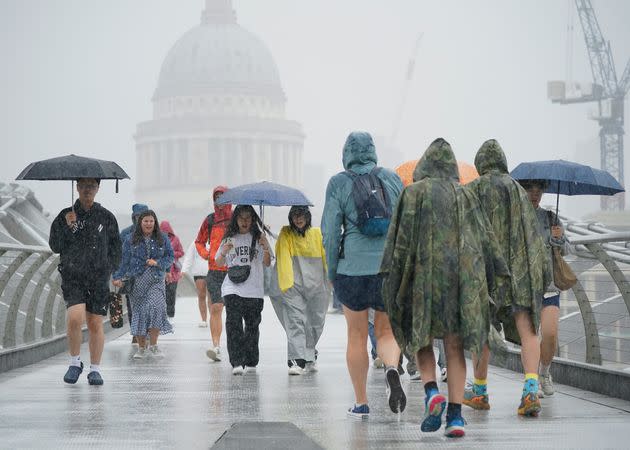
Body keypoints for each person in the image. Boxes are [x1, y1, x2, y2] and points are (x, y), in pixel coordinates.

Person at [381, 138, 509, 437]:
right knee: (453, 347)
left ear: (425, 164)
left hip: (422, 281)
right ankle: (454, 416)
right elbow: (486, 240)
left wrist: (391, 278)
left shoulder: (411, 194)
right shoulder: (466, 195)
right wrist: (496, 278)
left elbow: (398, 244)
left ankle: (430, 393)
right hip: (460, 283)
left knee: (422, 341)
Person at [463, 139, 550, 417]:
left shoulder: (473, 190)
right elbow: (532, 235)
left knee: (482, 332)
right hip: (519, 274)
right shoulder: (517, 190)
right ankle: (530, 390)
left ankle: (479, 391)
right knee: (528, 331)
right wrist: (540, 273)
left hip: (486, 276)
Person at [321, 131, 404, 419]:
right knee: (386, 331)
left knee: (356, 335)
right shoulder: (392, 179)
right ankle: (392, 368)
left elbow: (330, 234)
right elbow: (404, 224)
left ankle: (361, 402)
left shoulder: (338, 183)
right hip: (387, 268)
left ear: (346, 154)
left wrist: (332, 271)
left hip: (352, 270)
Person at [49, 177, 121, 386]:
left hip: (98, 278)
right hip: (73, 276)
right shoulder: (65, 216)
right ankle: (74, 362)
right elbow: (55, 245)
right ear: (77, 187)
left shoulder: (106, 217)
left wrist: (112, 270)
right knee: (74, 318)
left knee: (95, 323)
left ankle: (95, 369)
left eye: (92, 186)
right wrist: (67, 227)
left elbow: (116, 247)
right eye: (83, 186)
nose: (87, 190)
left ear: (98, 188)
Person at [521, 179, 568, 397]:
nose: (535, 193)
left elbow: (567, 249)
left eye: (539, 189)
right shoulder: (517, 217)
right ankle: (531, 383)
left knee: (549, 334)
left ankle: (545, 372)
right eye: (530, 189)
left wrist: (558, 240)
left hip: (549, 285)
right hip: (525, 286)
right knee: (530, 337)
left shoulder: (550, 217)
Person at [269, 205, 330, 375]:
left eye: (301, 214)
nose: (298, 218)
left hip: (317, 286)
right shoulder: (286, 234)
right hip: (292, 286)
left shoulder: (317, 234)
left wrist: (331, 278)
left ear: (308, 216)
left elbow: (327, 257)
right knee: (296, 321)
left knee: (315, 323)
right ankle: (296, 360)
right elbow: (280, 254)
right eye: (294, 215)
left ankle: (309, 353)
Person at [215, 205, 272, 375]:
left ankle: (251, 360)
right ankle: (237, 362)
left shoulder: (259, 237)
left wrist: (266, 246)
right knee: (233, 325)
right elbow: (218, 262)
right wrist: (224, 252)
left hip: (254, 289)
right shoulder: (229, 238)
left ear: (253, 219)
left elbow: (268, 263)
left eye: (248, 217)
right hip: (232, 288)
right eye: (241, 217)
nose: (245, 221)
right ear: (236, 219)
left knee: (252, 326)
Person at [113, 210, 174, 359]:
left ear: (155, 223)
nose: (148, 224)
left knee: (157, 307)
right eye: (145, 221)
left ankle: (153, 345)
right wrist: (118, 276)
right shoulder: (130, 240)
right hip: (137, 280)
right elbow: (124, 260)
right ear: (140, 223)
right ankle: (141, 348)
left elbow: (170, 256)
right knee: (139, 312)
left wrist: (158, 263)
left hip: (156, 279)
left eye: (151, 221)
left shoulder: (163, 238)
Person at [195, 186, 232, 362]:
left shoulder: (237, 219)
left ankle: (235, 346)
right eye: (216, 197)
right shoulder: (210, 220)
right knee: (216, 307)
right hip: (215, 271)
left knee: (233, 312)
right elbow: (199, 241)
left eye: (223, 196)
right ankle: (216, 345)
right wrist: (207, 255)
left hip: (234, 271)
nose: (219, 200)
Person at [119, 203, 149, 338]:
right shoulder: (125, 234)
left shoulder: (154, 233)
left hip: (149, 275)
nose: (139, 219)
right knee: (132, 306)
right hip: (131, 275)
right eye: (137, 216)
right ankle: (136, 335)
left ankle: (146, 332)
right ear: (133, 217)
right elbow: (120, 255)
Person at [181, 240, 211, 327]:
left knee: (211, 297)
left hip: (212, 271)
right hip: (198, 272)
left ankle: (213, 318)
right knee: (201, 295)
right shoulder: (195, 242)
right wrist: (184, 270)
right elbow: (189, 257)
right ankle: (204, 320)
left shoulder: (214, 239)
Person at [160, 220, 184, 318]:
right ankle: (163, 315)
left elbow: (181, 252)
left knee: (171, 294)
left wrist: (172, 254)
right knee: (161, 295)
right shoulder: (157, 240)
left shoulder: (175, 239)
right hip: (161, 271)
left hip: (174, 272)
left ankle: (171, 314)